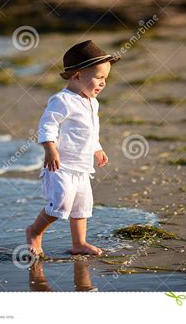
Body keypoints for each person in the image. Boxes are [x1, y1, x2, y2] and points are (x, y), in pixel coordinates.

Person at [26, 40, 120, 256]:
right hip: (61, 165)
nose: (104, 83)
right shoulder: (62, 100)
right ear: (77, 76)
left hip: (82, 166)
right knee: (61, 202)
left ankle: (79, 244)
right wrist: (50, 149)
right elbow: (47, 125)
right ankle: (34, 232)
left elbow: (90, 130)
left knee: (82, 206)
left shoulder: (92, 102)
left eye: (106, 78)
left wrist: (97, 148)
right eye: (99, 77)